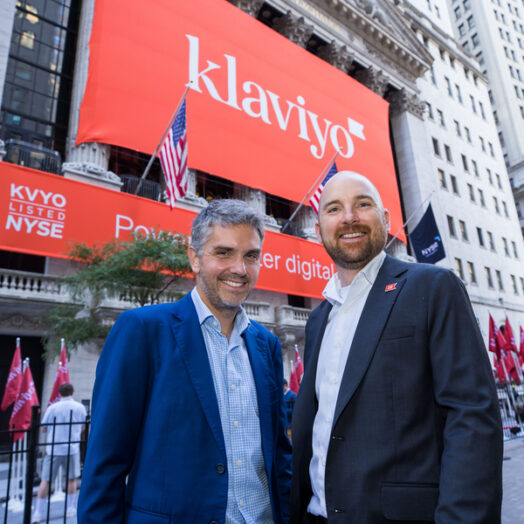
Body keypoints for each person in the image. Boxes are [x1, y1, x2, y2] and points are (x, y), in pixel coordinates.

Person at [291, 171, 503, 523]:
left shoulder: (433, 287)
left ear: (386, 219)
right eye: (334, 209)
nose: (349, 217)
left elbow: (471, 418)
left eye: (363, 204)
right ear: (318, 230)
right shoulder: (318, 320)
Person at [78, 199, 292, 524]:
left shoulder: (268, 345)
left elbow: (279, 455)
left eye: (251, 256)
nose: (240, 268)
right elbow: (104, 465)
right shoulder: (142, 330)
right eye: (223, 253)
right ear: (194, 257)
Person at [32, 382, 86, 522]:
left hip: (54, 448)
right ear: (72, 392)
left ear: (59, 393)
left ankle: (38, 512)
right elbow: (83, 428)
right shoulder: (80, 407)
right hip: (72, 448)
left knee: (46, 480)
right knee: (71, 478)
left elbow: (43, 428)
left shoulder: (53, 408)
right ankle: (69, 508)